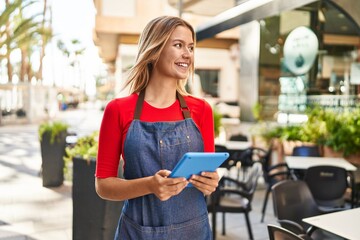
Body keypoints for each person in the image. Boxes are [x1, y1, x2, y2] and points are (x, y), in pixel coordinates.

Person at [95, 15, 219, 240]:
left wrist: (210, 182)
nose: (187, 54)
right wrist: (150, 185)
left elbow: (207, 174)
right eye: (178, 45)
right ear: (154, 50)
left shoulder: (201, 110)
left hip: (193, 232)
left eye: (190, 47)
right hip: (138, 232)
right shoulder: (118, 110)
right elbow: (103, 186)